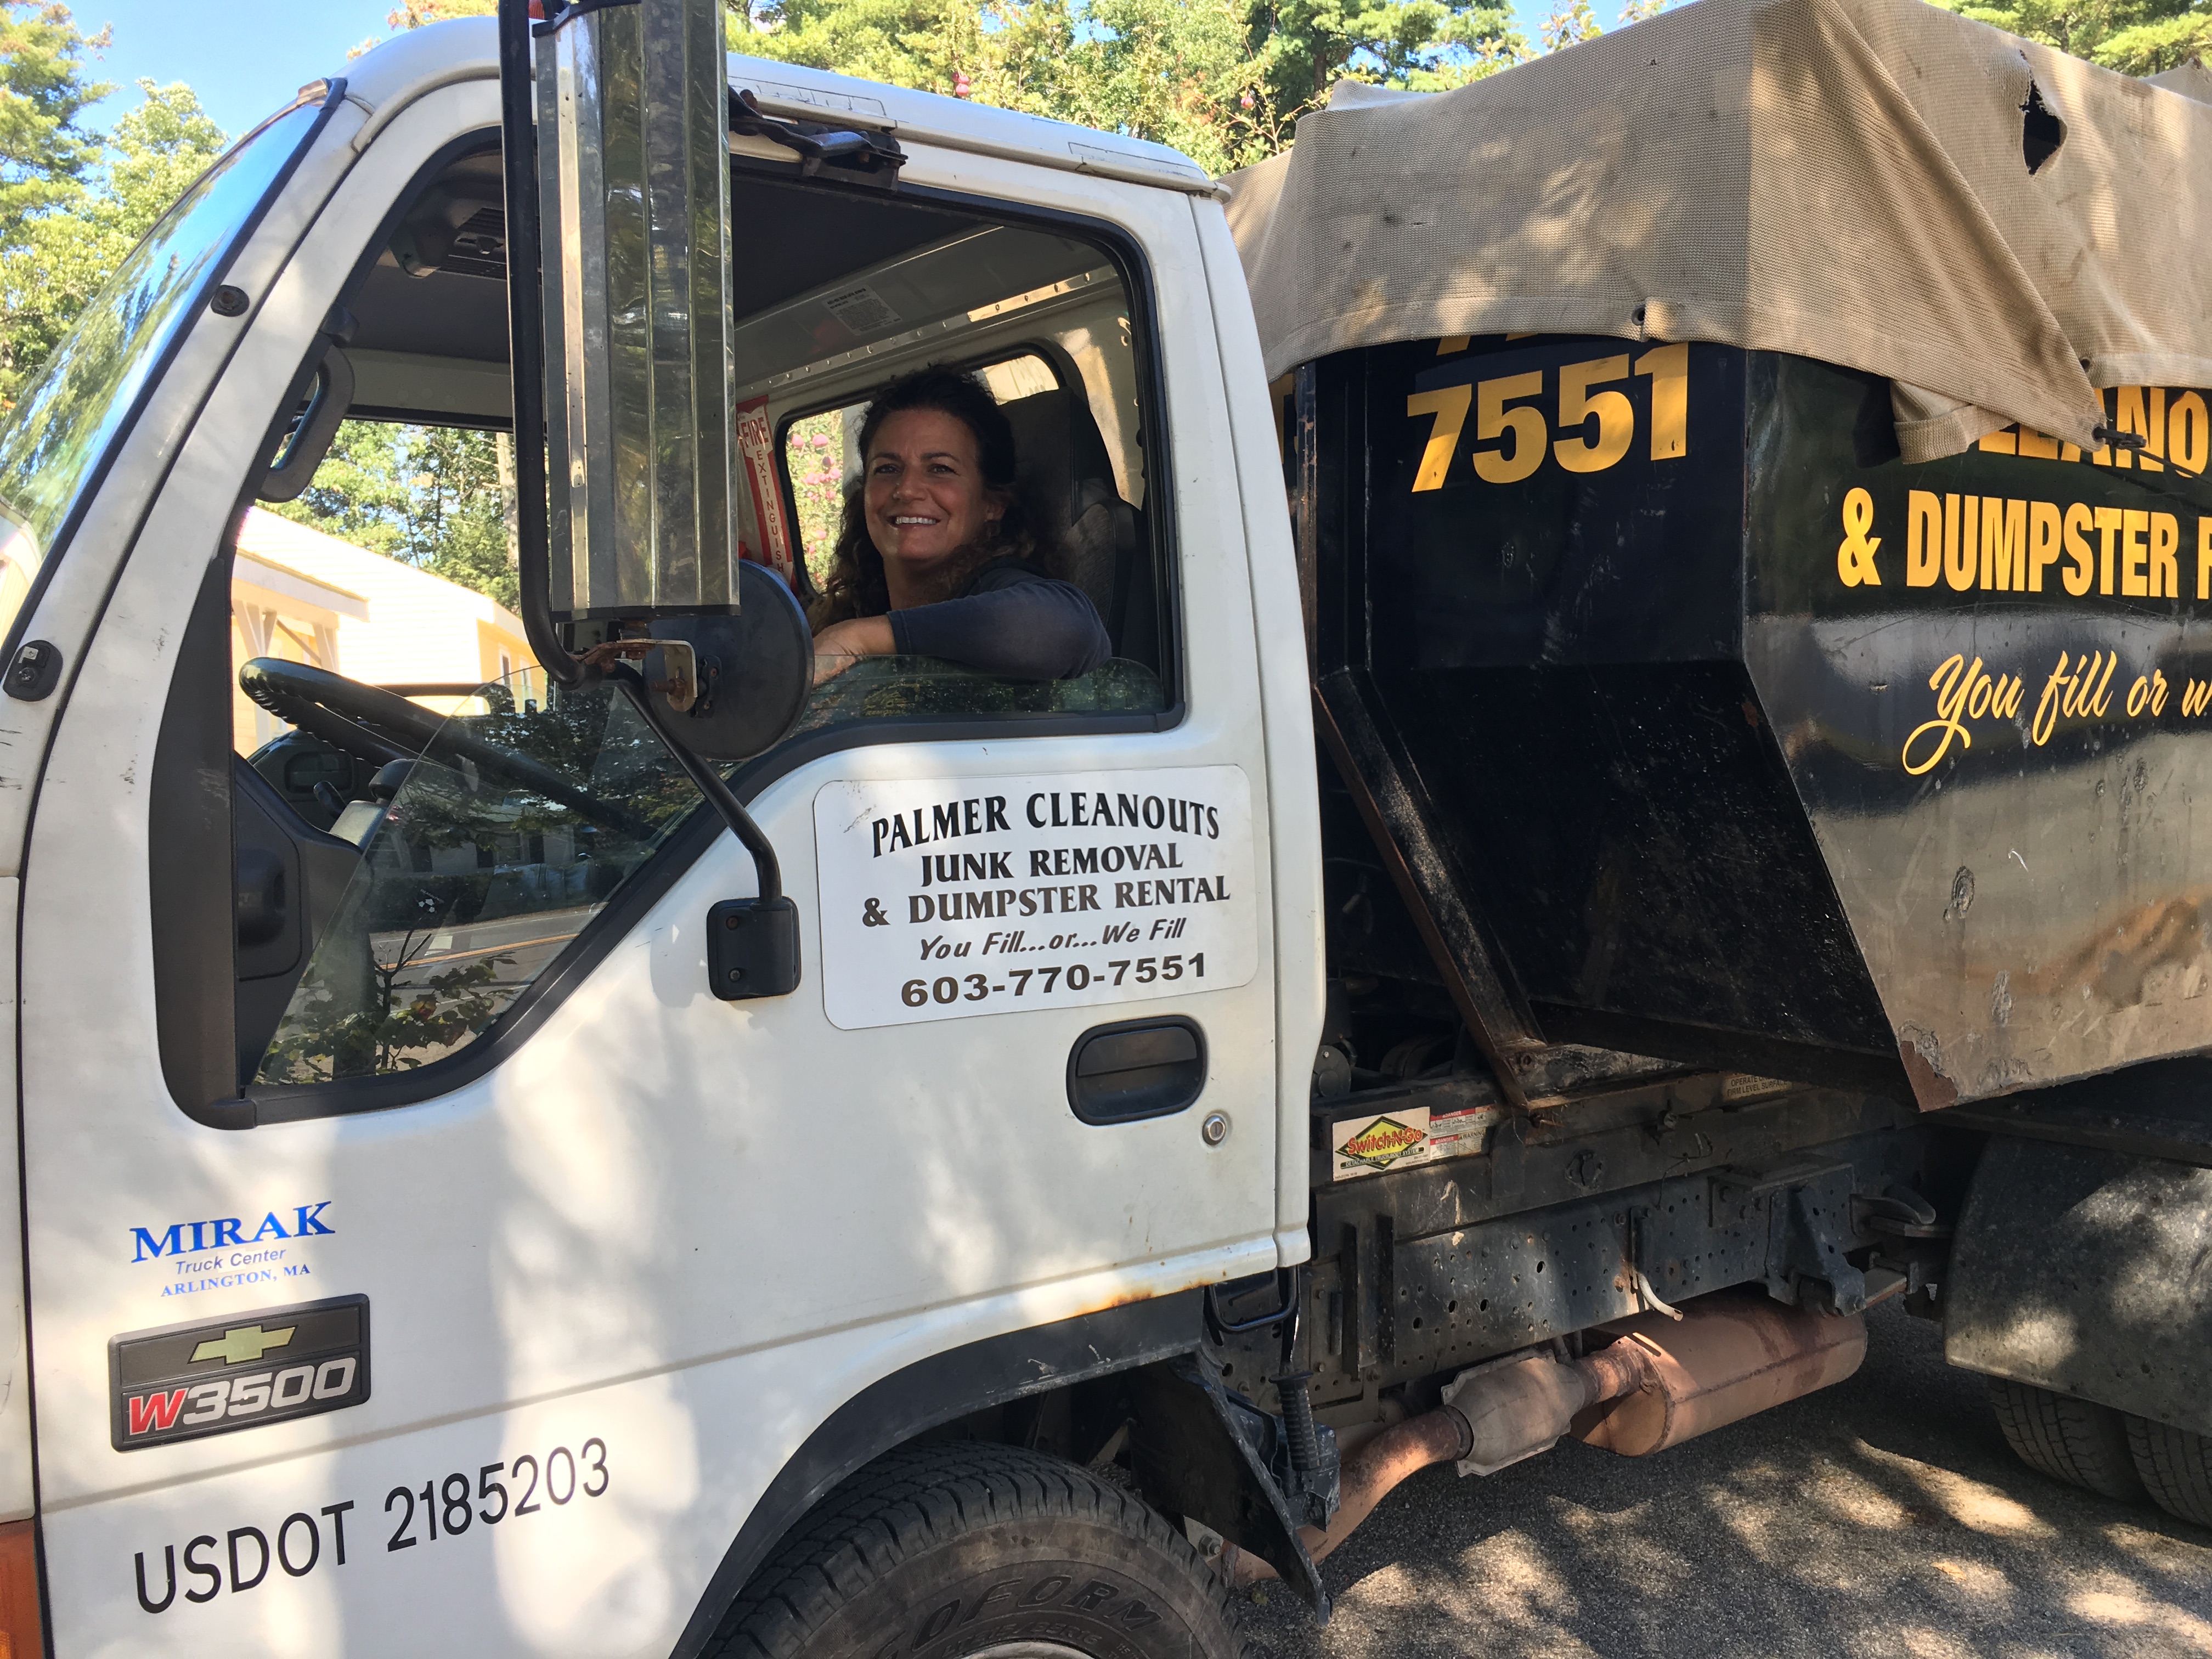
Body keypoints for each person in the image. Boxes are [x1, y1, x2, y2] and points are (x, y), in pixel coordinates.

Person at [807, 366, 1113, 684]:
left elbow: (1069, 630)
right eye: (887, 468)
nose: (907, 489)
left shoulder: (997, 585)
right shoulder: (860, 602)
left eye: (940, 469)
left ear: (992, 504)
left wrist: (859, 639)